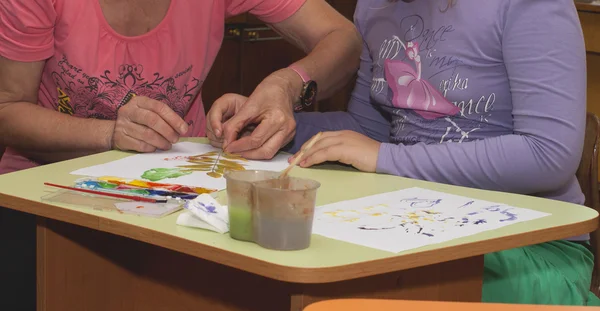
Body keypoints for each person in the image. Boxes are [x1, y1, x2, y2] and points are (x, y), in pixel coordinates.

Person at [283, 0, 599, 305]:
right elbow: (366, 133)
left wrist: (386, 158)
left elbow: (548, 154)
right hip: (414, 224)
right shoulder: (374, 6)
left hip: (534, 248)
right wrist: (276, 126)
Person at [0, 0, 361, 174]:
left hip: (183, 187)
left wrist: (286, 85)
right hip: (43, 187)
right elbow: (8, 111)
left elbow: (343, 39)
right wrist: (108, 134)